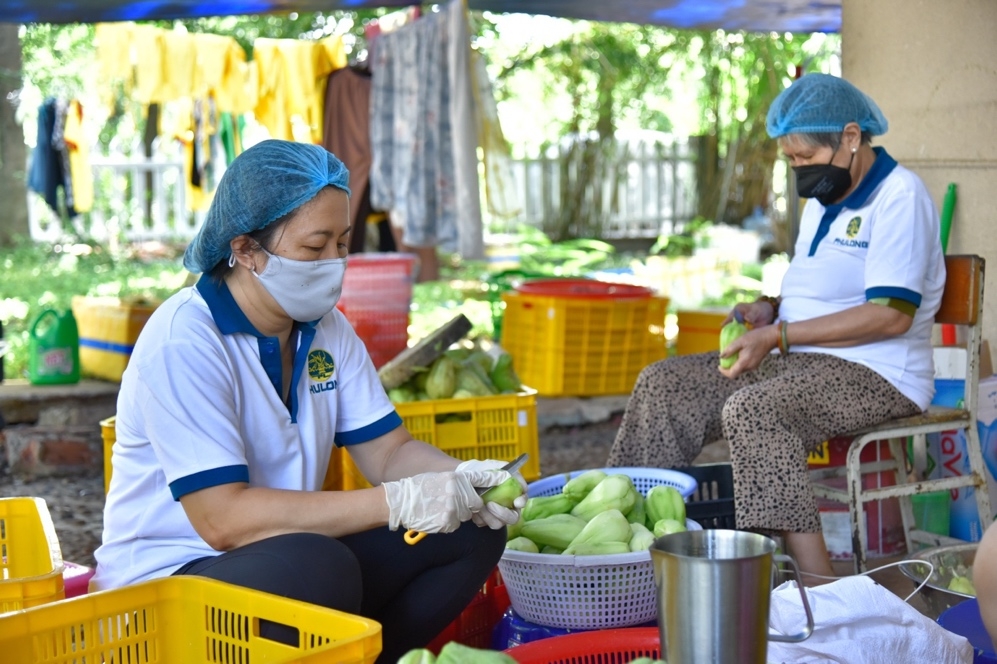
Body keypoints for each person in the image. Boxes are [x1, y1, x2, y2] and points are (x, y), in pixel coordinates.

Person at [91, 139, 526, 663]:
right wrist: (399, 502)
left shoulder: (328, 332)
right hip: (168, 588)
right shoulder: (184, 340)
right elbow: (222, 521)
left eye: (342, 244)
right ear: (247, 250)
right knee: (320, 565)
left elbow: (388, 454)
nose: (333, 263)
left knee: (467, 536)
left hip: (281, 560)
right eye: (314, 247)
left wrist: (463, 482)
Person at [607, 73, 945, 583]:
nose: (798, 170)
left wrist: (779, 337)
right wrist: (771, 309)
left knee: (756, 410)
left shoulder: (900, 197)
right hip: (801, 359)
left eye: (805, 157)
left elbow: (890, 313)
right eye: (791, 160)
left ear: (851, 138)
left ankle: (812, 586)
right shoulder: (822, 204)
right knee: (665, 384)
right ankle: (619, 546)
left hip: (879, 371)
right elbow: (821, 291)